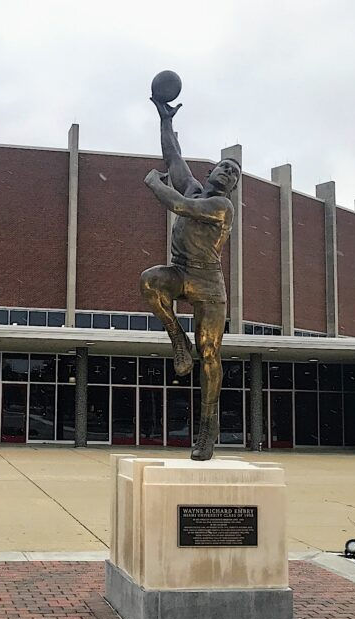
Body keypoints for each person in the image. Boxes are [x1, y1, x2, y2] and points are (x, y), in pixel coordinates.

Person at [140, 97, 241, 461]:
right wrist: (165, 122)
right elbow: (173, 157)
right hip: (182, 275)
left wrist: (154, 184)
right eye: (225, 167)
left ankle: (207, 430)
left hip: (209, 288)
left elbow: (181, 206)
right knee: (150, 280)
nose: (228, 173)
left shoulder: (220, 207)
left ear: (232, 188)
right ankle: (177, 340)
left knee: (210, 354)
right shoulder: (193, 186)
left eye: (234, 174)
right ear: (212, 171)